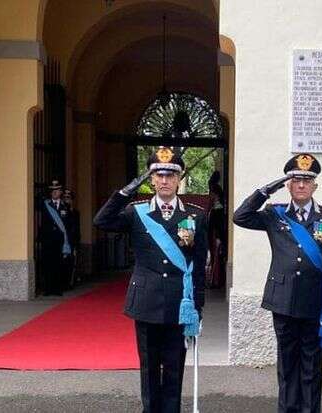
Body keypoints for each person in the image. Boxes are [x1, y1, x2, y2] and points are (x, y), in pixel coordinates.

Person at [93, 147, 207, 413]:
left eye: (170, 175)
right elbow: (102, 220)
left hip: (180, 303)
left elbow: (199, 264)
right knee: (149, 366)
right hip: (146, 301)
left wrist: (197, 308)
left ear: (179, 179)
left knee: (174, 366)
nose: (165, 181)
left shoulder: (195, 216)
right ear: (151, 180)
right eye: (158, 175)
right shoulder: (136, 212)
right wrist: (125, 192)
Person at [233, 153, 322, 413]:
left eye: (307, 180)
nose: (302, 185)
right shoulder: (275, 214)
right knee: (287, 365)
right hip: (283, 301)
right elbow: (240, 217)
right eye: (296, 180)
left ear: (314, 185)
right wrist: (265, 191)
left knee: (311, 366)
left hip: (315, 302)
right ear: (288, 184)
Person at [38, 180, 71, 296]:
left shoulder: (65, 206)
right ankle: (48, 289)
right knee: (48, 264)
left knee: (58, 265)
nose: (54, 193)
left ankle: (57, 289)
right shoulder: (45, 204)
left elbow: (68, 225)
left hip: (59, 240)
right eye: (52, 191)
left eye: (57, 191)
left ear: (60, 192)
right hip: (48, 240)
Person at [62, 189, 81, 288]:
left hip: (72, 241)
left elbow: (77, 229)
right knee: (63, 263)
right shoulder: (62, 211)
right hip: (63, 241)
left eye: (68, 198)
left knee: (72, 262)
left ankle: (70, 282)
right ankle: (64, 282)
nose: (67, 200)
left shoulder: (75, 213)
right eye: (65, 198)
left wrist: (76, 244)